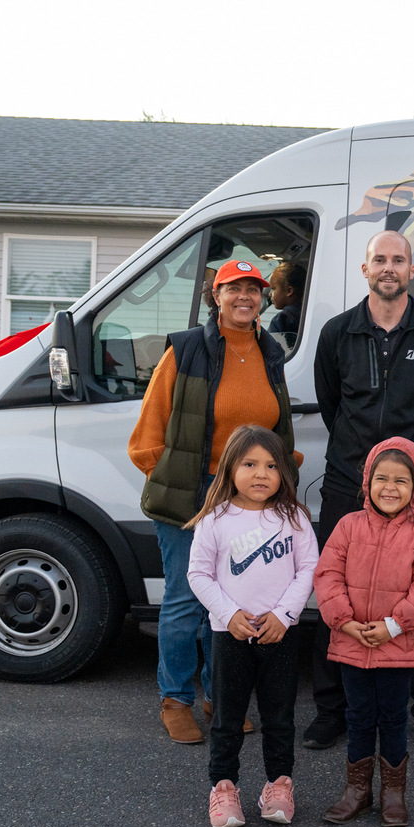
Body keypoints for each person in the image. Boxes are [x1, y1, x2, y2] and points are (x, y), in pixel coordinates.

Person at [306, 230, 414, 752]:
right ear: (365, 268)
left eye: (398, 260)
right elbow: (332, 406)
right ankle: (332, 709)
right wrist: (366, 471)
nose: (389, 268)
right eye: (380, 259)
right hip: (348, 486)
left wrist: (413, 474)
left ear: (412, 270)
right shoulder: (337, 333)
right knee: (337, 592)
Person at [129, 259, 301, 744]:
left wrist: (283, 467)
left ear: (263, 297)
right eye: (233, 289)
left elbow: (278, 424)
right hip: (194, 491)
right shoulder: (186, 350)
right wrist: (174, 478)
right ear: (216, 296)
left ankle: (219, 699)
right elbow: (148, 431)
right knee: (186, 600)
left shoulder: (270, 351)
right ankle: (176, 699)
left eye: (253, 289)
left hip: (247, 495)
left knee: (229, 603)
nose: (244, 296)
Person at [185, 425, 319, 827]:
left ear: (284, 474)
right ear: (230, 469)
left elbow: (309, 568)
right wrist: (228, 615)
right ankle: (223, 787)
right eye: (250, 464)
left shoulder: (293, 518)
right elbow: (199, 574)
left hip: (280, 635)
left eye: (272, 465)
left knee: (279, 716)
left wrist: (284, 615)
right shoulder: (215, 520)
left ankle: (278, 785)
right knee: (227, 716)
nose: (261, 473)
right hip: (230, 636)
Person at [314, 438, 414, 827]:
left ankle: (392, 794)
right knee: (357, 716)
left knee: (392, 718)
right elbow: (327, 576)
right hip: (351, 641)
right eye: (382, 478)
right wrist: (345, 622)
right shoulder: (348, 526)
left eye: (402, 481)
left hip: (399, 646)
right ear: (367, 482)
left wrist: (393, 625)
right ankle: (357, 790)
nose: (390, 488)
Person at [266, 262, 308, 348]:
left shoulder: (282, 319)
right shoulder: (308, 314)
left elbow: (269, 350)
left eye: (273, 289)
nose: (270, 294)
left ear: (289, 291)